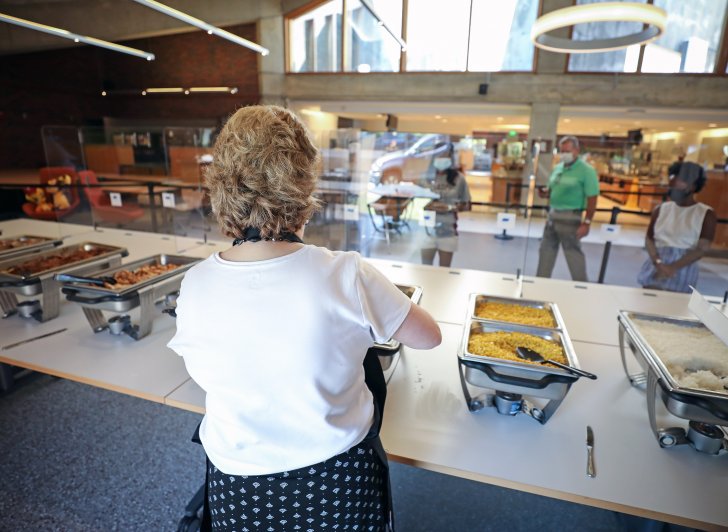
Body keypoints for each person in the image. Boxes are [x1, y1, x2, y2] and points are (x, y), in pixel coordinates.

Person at [167, 105, 441, 532]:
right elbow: (428, 337)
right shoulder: (344, 273)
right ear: (301, 183)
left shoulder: (196, 282)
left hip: (236, 485)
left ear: (221, 186)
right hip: (335, 481)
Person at [637, 162, 716, 293]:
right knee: (648, 302)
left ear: (693, 186)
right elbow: (649, 239)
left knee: (675, 307)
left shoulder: (706, 214)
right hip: (656, 263)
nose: (672, 187)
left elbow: (702, 248)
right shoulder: (661, 209)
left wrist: (672, 268)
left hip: (684, 267)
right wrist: (658, 263)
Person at [536, 135, 599, 282]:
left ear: (576, 150)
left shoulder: (586, 171)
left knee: (573, 254)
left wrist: (587, 222)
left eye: (567, 151)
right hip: (552, 216)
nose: (564, 154)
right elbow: (553, 190)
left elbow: (592, 198)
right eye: (562, 151)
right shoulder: (558, 168)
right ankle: (540, 283)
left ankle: (581, 286)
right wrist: (545, 193)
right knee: (546, 251)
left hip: (571, 218)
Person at [420, 143, 471, 268]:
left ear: (451, 158)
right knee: (425, 270)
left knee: (444, 272)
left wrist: (449, 208)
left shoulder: (459, 179)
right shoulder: (425, 178)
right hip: (426, 231)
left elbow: (467, 205)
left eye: (446, 155)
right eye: (439, 155)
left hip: (448, 232)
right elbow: (416, 200)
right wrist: (428, 206)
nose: (442, 158)